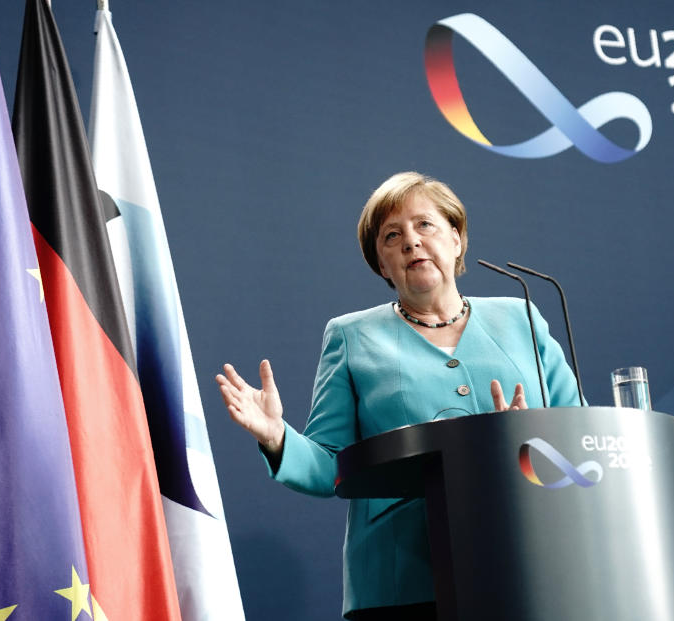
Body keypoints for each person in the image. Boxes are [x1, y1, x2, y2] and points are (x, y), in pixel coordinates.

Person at [216, 171, 581, 620]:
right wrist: (277, 437)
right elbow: (332, 462)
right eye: (393, 236)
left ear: (456, 238)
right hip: (401, 582)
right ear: (382, 264)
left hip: (526, 563)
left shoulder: (522, 316)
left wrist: (527, 435)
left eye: (425, 225)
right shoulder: (351, 336)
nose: (412, 241)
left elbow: (577, 434)